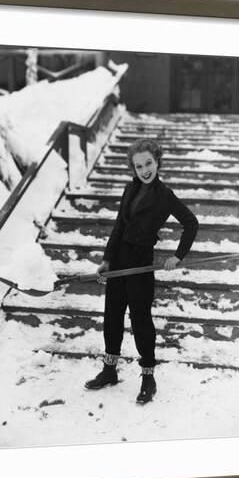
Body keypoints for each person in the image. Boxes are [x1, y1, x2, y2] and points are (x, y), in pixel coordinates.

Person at [84, 139, 199, 404]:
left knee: (140, 322)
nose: (144, 170)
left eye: (149, 163)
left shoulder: (165, 196)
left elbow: (191, 224)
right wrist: (107, 260)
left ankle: (148, 377)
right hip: (120, 261)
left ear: (158, 161)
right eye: (138, 166)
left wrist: (177, 256)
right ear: (133, 169)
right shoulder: (130, 188)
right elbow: (118, 227)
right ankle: (109, 370)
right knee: (112, 317)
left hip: (141, 264)